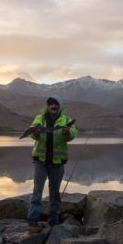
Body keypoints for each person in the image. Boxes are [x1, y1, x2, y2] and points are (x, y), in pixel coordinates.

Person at [27, 95, 77, 233]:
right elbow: (32, 132)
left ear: (59, 106)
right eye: (50, 104)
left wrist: (68, 132)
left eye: (55, 104)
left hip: (57, 163)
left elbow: (74, 133)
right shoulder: (39, 118)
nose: (53, 106)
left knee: (55, 193)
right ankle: (33, 221)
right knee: (37, 191)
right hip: (40, 162)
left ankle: (54, 221)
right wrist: (35, 133)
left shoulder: (66, 120)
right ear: (48, 106)